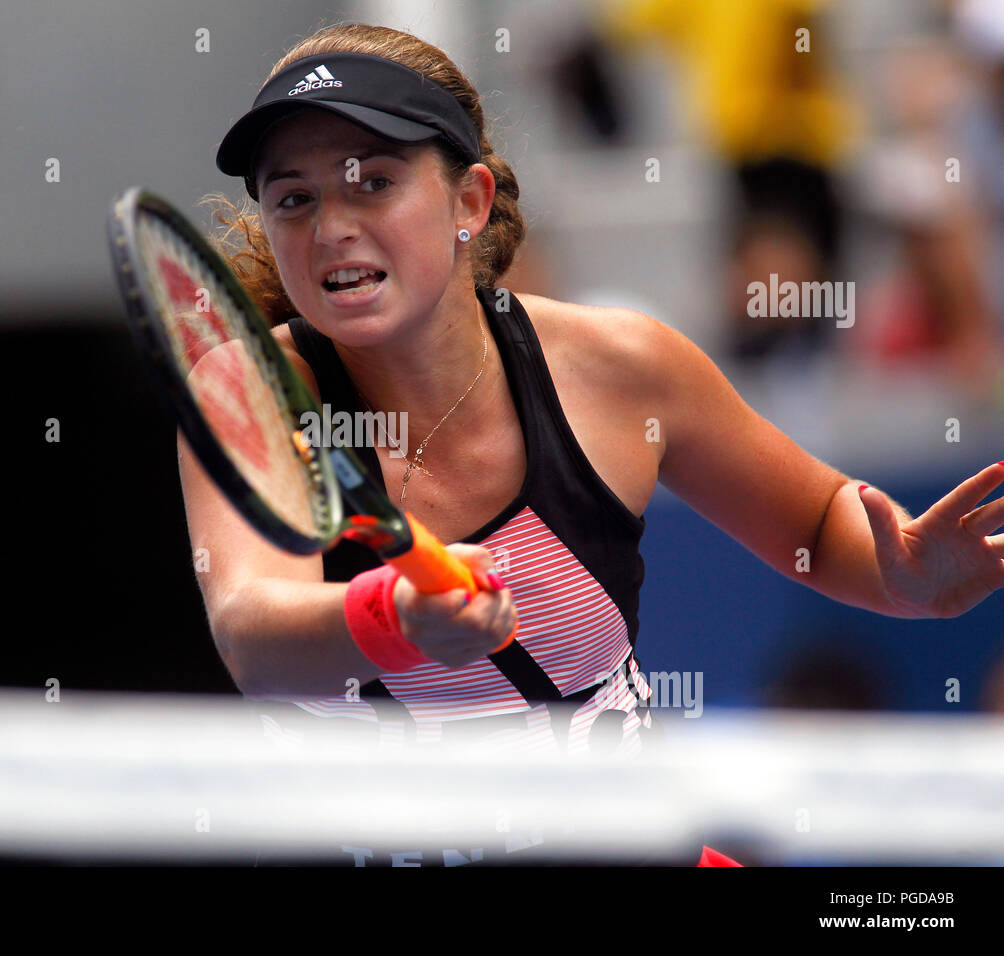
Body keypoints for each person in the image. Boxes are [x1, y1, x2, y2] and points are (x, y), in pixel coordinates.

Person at [187, 22, 1004, 866]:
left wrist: (907, 580)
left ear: (468, 201)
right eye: (294, 198)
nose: (331, 228)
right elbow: (254, 636)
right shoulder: (248, 392)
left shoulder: (622, 367)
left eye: (374, 183)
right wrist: (395, 617)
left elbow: (819, 524)